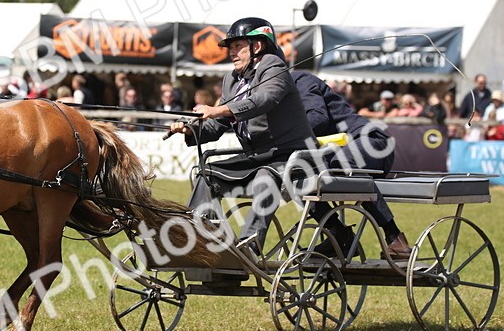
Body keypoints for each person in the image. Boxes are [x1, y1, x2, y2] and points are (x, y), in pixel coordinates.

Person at [167, 17, 315, 254]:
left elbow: (263, 100)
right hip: (257, 158)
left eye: (237, 46)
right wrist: (191, 129)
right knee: (206, 175)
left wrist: (216, 109)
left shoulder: (273, 67)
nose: (231, 53)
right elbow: (218, 125)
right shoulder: (232, 80)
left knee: (266, 177)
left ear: (257, 46)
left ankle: (249, 247)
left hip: (289, 157)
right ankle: (206, 241)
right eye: (230, 48)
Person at [291, 69, 412, 259]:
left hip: (371, 141)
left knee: (343, 162)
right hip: (331, 154)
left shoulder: (300, 79)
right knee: (294, 175)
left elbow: (318, 118)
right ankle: (339, 234)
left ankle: (395, 237)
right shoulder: (264, 94)